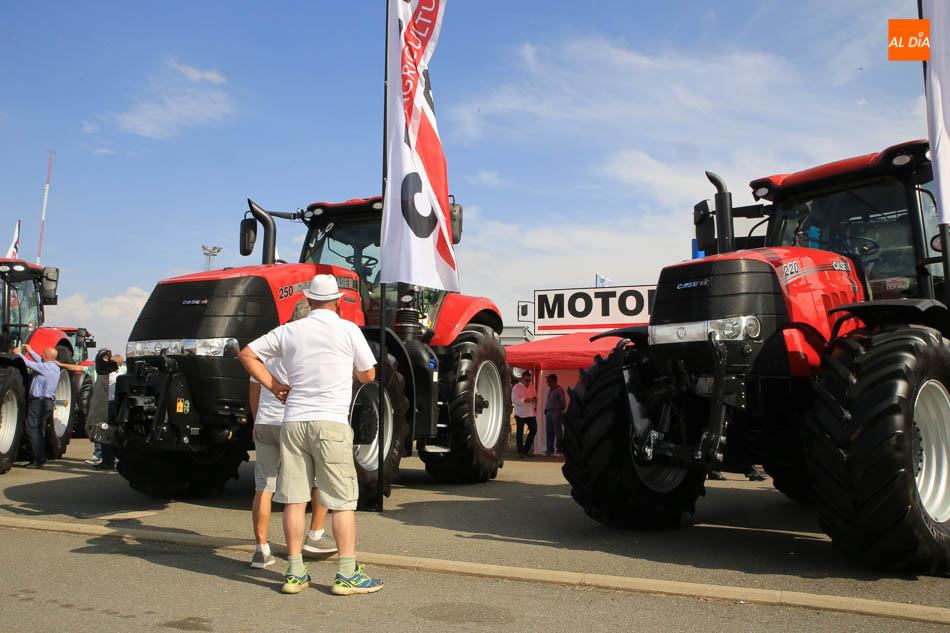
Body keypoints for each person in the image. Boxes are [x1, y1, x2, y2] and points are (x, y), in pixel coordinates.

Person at [239, 274, 383, 596]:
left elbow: (247, 354)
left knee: (294, 500)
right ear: (337, 301)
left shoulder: (290, 331)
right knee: (342, 501)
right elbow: (369, 374)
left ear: (308, 300)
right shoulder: (348, 330)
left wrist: (274, 386)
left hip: (293, 423)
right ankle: (346, 574)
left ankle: (294, 573)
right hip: (330, 422)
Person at [248, 355, 337, 569]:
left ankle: (261, 550)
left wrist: (256, 420)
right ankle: (314, 535)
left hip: (264, 422)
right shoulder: (302, 349)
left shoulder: (264, 352)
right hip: (292, 423)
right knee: (314, 479)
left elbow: (254, 389)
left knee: (264, 487)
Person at [13, 344, 65, 468]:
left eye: (42, 354)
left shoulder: (45, 368)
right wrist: (31, 351)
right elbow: (38, 360)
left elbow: (27, 363)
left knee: (32, 428)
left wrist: (18, 353)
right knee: (39, 429)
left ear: (46, 356)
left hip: (39, 402)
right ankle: (39, 456)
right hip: (46, 402)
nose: (40, 356)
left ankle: (37, 458)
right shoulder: (53, 367)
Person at [95, 354, 126, 470]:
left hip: (109, 405)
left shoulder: (111, 376)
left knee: (105, 433)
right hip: (117, 405)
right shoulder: (122, 374)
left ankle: (107, 461)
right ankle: (110, 460)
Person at [511, 371, 537, 458]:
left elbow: (535, 396)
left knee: (534, 430)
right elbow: (514, 399)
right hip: (520, 413)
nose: (528, 382)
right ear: (521, 379)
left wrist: (534, 399)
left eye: (529, 380)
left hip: (530, 412)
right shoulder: (516, 387)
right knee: (520, 433)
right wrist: (525, 399)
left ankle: (526, 450)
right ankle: (520, 452)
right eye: (526, 380)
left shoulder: (532, 386)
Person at [544, 373, 567, 457]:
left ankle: (559, 450)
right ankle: (550, 450)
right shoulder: (550, 389)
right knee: (549, 432)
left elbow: (563, 403)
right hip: (549, 412)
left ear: (553, 381)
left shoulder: (559, 389)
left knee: (558, 432)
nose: (547, 382)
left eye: (548, 380)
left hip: (555, 412)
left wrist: (558, 410)